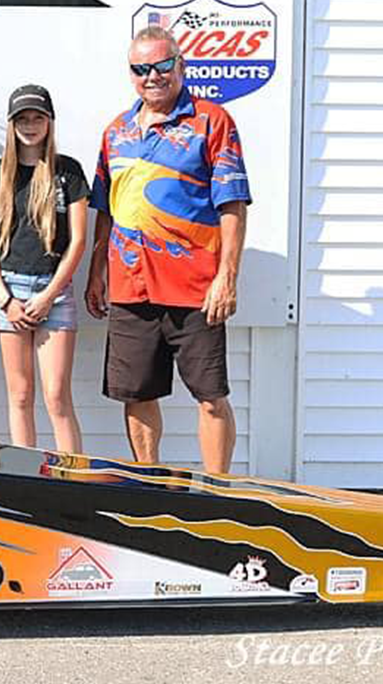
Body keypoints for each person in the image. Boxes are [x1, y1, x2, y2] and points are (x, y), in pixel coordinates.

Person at [84, 25, 251, 474]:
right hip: (129, 286)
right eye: (141, 68)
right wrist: (96, 271)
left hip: (195, 288)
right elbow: (107, 208)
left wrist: (226, 278)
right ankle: (149, 483)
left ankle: (218, 493)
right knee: (137, 394)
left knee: (211, 397)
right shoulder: (116, 131)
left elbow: (233, 203)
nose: (152, 76)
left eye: (161, 65)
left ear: (181, 65)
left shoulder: (211, 121)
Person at [0, 85, 89, 451]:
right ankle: (26, 476)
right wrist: (5, 299)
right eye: (22, 118)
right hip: (8, 290)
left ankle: (74, 481)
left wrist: (48, 295)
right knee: (21, 395)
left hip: (53, 293)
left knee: (57, 396)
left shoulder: (68, 172)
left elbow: (77, 242)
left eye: (37, 117)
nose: (30, 125)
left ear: (49, 122)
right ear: (11, 125)